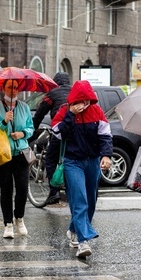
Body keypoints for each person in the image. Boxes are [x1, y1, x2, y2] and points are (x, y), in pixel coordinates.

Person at [49, 80, 112, 258]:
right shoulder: (64, 111)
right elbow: (58, 133)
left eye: (86, 101)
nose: (83, 104)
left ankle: (74, 230)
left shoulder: (97, 111)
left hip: (92, 161)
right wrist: (69, 114)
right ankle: (83, 241)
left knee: (91, 201)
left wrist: (106, 155)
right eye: (80, 101)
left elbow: (106, 136)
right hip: (72, 162)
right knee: (79, 199)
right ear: (73, 100)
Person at [0, 80, 34, 239]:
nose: (13, 90)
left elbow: (30, 127)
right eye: (10, 87)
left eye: (15, 87)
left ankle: (19, 218)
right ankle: (8, 224)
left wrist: (23, 134)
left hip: (21, 153)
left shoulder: (24, 107)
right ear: (3, 88)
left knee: (22, 189)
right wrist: (4, 121)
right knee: (6, 190)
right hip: (3, 154)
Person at [32, 71, 72, 205]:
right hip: (76, 131)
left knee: (50, 159)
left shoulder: (52, 93)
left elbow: (39, 113)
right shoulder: (74, 91)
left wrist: (32, 130)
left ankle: (54, 191)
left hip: (60, 129)